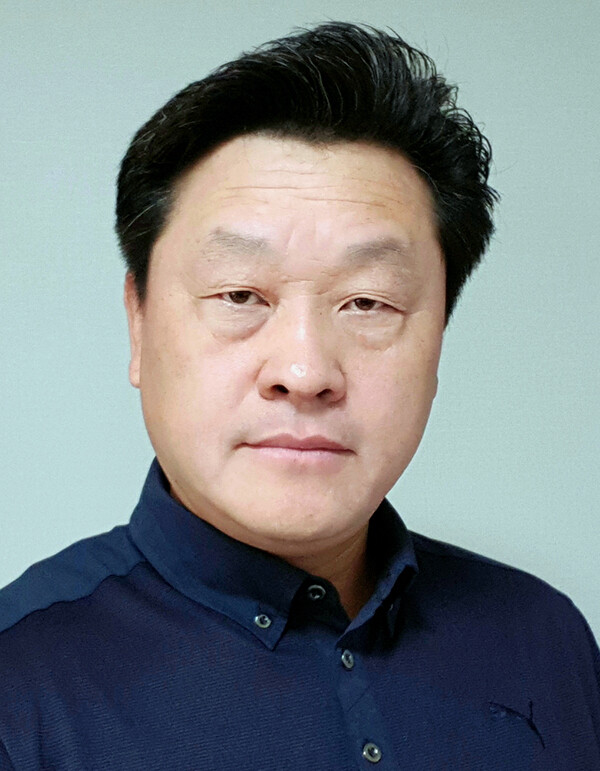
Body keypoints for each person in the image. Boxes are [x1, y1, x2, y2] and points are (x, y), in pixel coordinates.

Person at [0, 21, 598, 770]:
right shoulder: (19, 685)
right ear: (138, 322)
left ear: (440, 335)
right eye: (240, 294)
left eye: (368, 302)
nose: (306, 370)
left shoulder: (545, 639)